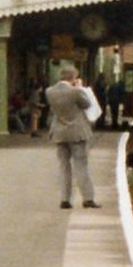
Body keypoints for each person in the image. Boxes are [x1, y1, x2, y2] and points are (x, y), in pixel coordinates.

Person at [46, 66, 101, 209]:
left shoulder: (49, 92)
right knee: (81, 166)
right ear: (74, 77)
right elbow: (87, 104)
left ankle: (65, 199)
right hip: (77, 133)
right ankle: (88, 199)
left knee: (63, 166)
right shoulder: (76, 92)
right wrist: (81, 88)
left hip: (59, 133)